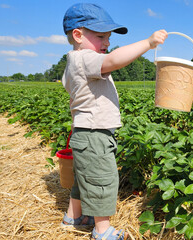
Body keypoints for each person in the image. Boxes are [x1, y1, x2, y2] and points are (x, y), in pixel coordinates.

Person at [61, 3, 167, 240]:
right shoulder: (83, 58)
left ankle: (74, 217)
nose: (107, 43)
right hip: (94, 134)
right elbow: (114, 61)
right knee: (102, 181)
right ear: (78, 35)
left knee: (84, 178)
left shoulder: (74, 63)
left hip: (87, 133)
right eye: (100, 36)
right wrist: (148, 44)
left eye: (108, 37)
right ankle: (102, 231)